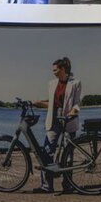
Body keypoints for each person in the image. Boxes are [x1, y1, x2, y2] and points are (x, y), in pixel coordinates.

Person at [32, 57, 81, 193]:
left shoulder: (76, 83)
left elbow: (77, 104)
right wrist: (38, 103)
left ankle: (68, 185)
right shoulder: (52, 84)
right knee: (47, 151)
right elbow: (51, 104)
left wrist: (73, 112)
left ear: (62, 69)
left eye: (55, 70)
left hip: (68, 120)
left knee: (68, 154)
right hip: (53, 120)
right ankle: (47, 186)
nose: (53, 72)